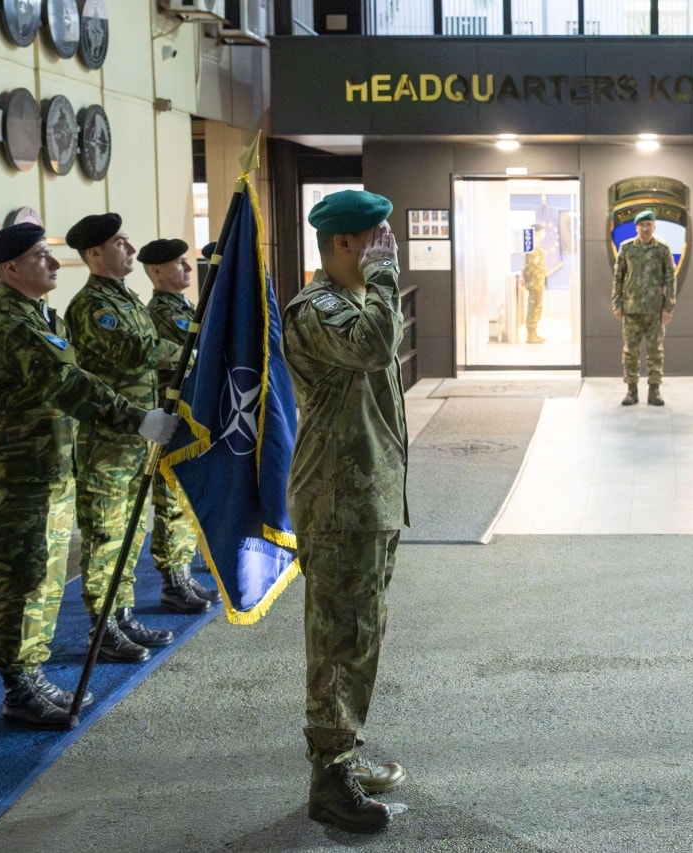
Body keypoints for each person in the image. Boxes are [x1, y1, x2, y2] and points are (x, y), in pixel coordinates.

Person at [0, 223, 179, 728]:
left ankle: (30, 674)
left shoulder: (38, 314)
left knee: (44, 578)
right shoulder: (11, 323)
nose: (53, 263)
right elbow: (68, 383)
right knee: (22, 580)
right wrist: (136, 418)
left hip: (49, 466)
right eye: (41, 256)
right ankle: (19, 686)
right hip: (19, 472)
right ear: (12, 268)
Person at [282, 189, 409, 833]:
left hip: (367, 497)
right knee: (340, 640)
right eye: (377, 239)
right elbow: (377, 347)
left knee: (361, 637)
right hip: (339, 501)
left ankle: (343, 751)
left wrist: (377, 280)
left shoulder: (356, 300)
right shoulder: (318, 308)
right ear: (343, 243)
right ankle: (329, 780)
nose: (388, 248)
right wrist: (384, 276)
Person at [65, 214, 183, 664]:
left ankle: (123, 613)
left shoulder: (126, 298)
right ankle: (104, 626)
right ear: (95, 253)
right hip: (107, 442)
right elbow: (136, 350)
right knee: (106, 534)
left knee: (130, 533)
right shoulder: (92, 306)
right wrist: (191, 354)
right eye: (121, 243)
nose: (131, 249)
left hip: (137, 438)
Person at [138, 238, 221, 614]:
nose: (188, 269)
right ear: (157, 272)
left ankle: (183, 573)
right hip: (171, 418)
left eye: (187, 262)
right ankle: (173, 580)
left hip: (188, 418)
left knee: (184, 498)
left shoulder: (185, 307)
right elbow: (179, 358)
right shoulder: (160, 313)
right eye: (179, 264)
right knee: (170, 501)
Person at [611, 209, 675, 406]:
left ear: (654, 227)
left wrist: (668, 308)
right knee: (630, 352)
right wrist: (616, 303)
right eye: (642, 225)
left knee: (655, 352)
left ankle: (654, 391)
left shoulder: (662, 249)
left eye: (649, 225)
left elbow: (670, 279)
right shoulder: (626, 248)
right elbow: (618, 277)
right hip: (631, 310)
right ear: (636, 227)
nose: (645, 229)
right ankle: (631, 391)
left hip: (655, 311)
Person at [522, 224, 546, 343]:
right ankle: (531, 333)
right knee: (534, 306)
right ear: (537, 232)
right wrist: (530, 280)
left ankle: (533, 332)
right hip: (535, 281)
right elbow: (529, 265)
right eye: (542, 231)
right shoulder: (532, 245)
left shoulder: (535, 244)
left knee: (537, 306)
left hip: (538, 280)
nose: (543, 234)